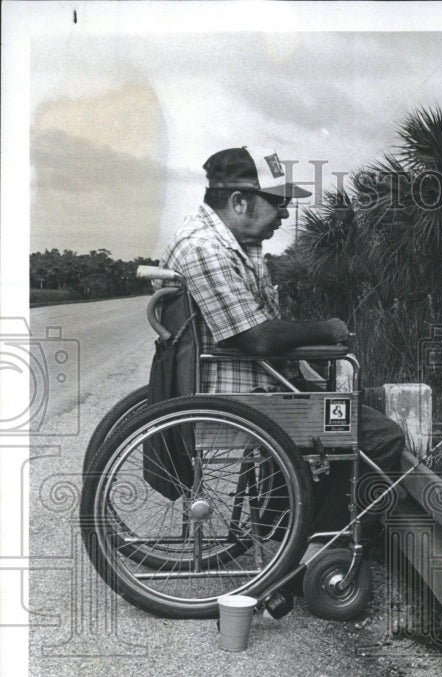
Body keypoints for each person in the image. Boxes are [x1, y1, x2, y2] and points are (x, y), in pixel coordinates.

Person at [162, 146, 404, 530]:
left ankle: (285, 526)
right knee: (382, 437)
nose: (286, 212)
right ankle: (323, 545)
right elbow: (257, 337)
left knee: (343, 409)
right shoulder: (205, 249)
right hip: (243, 403)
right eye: (278, 202)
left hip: (252, 393)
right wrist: (326, 330)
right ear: (240, 202)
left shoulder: (234, 245)